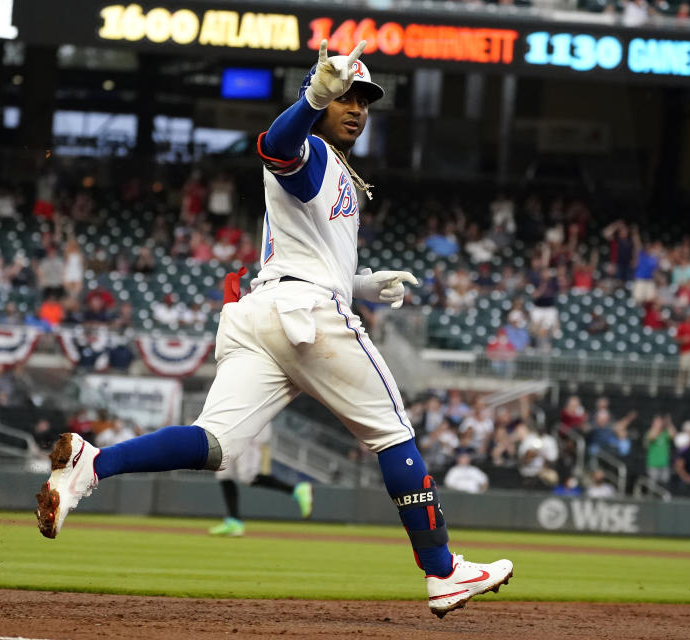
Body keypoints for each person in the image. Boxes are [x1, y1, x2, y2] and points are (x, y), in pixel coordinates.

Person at [34, 41, 512, 617]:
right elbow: (273, 147)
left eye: (363, 99)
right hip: (303, 316)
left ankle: (93, 464)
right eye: (347, 97)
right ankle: (443, 572)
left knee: (214, 446)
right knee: (393, 432)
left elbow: (297, 254)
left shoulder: (334, 166)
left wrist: (360, 283)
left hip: (265, 313)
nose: (356, 107)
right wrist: (313, 97)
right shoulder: (309, 147)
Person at [208, 423, 313, 537]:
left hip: (249, 431)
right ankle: (234, 521)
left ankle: (296, 489)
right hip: (230, 431)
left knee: (248, 476)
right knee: (224, 474)